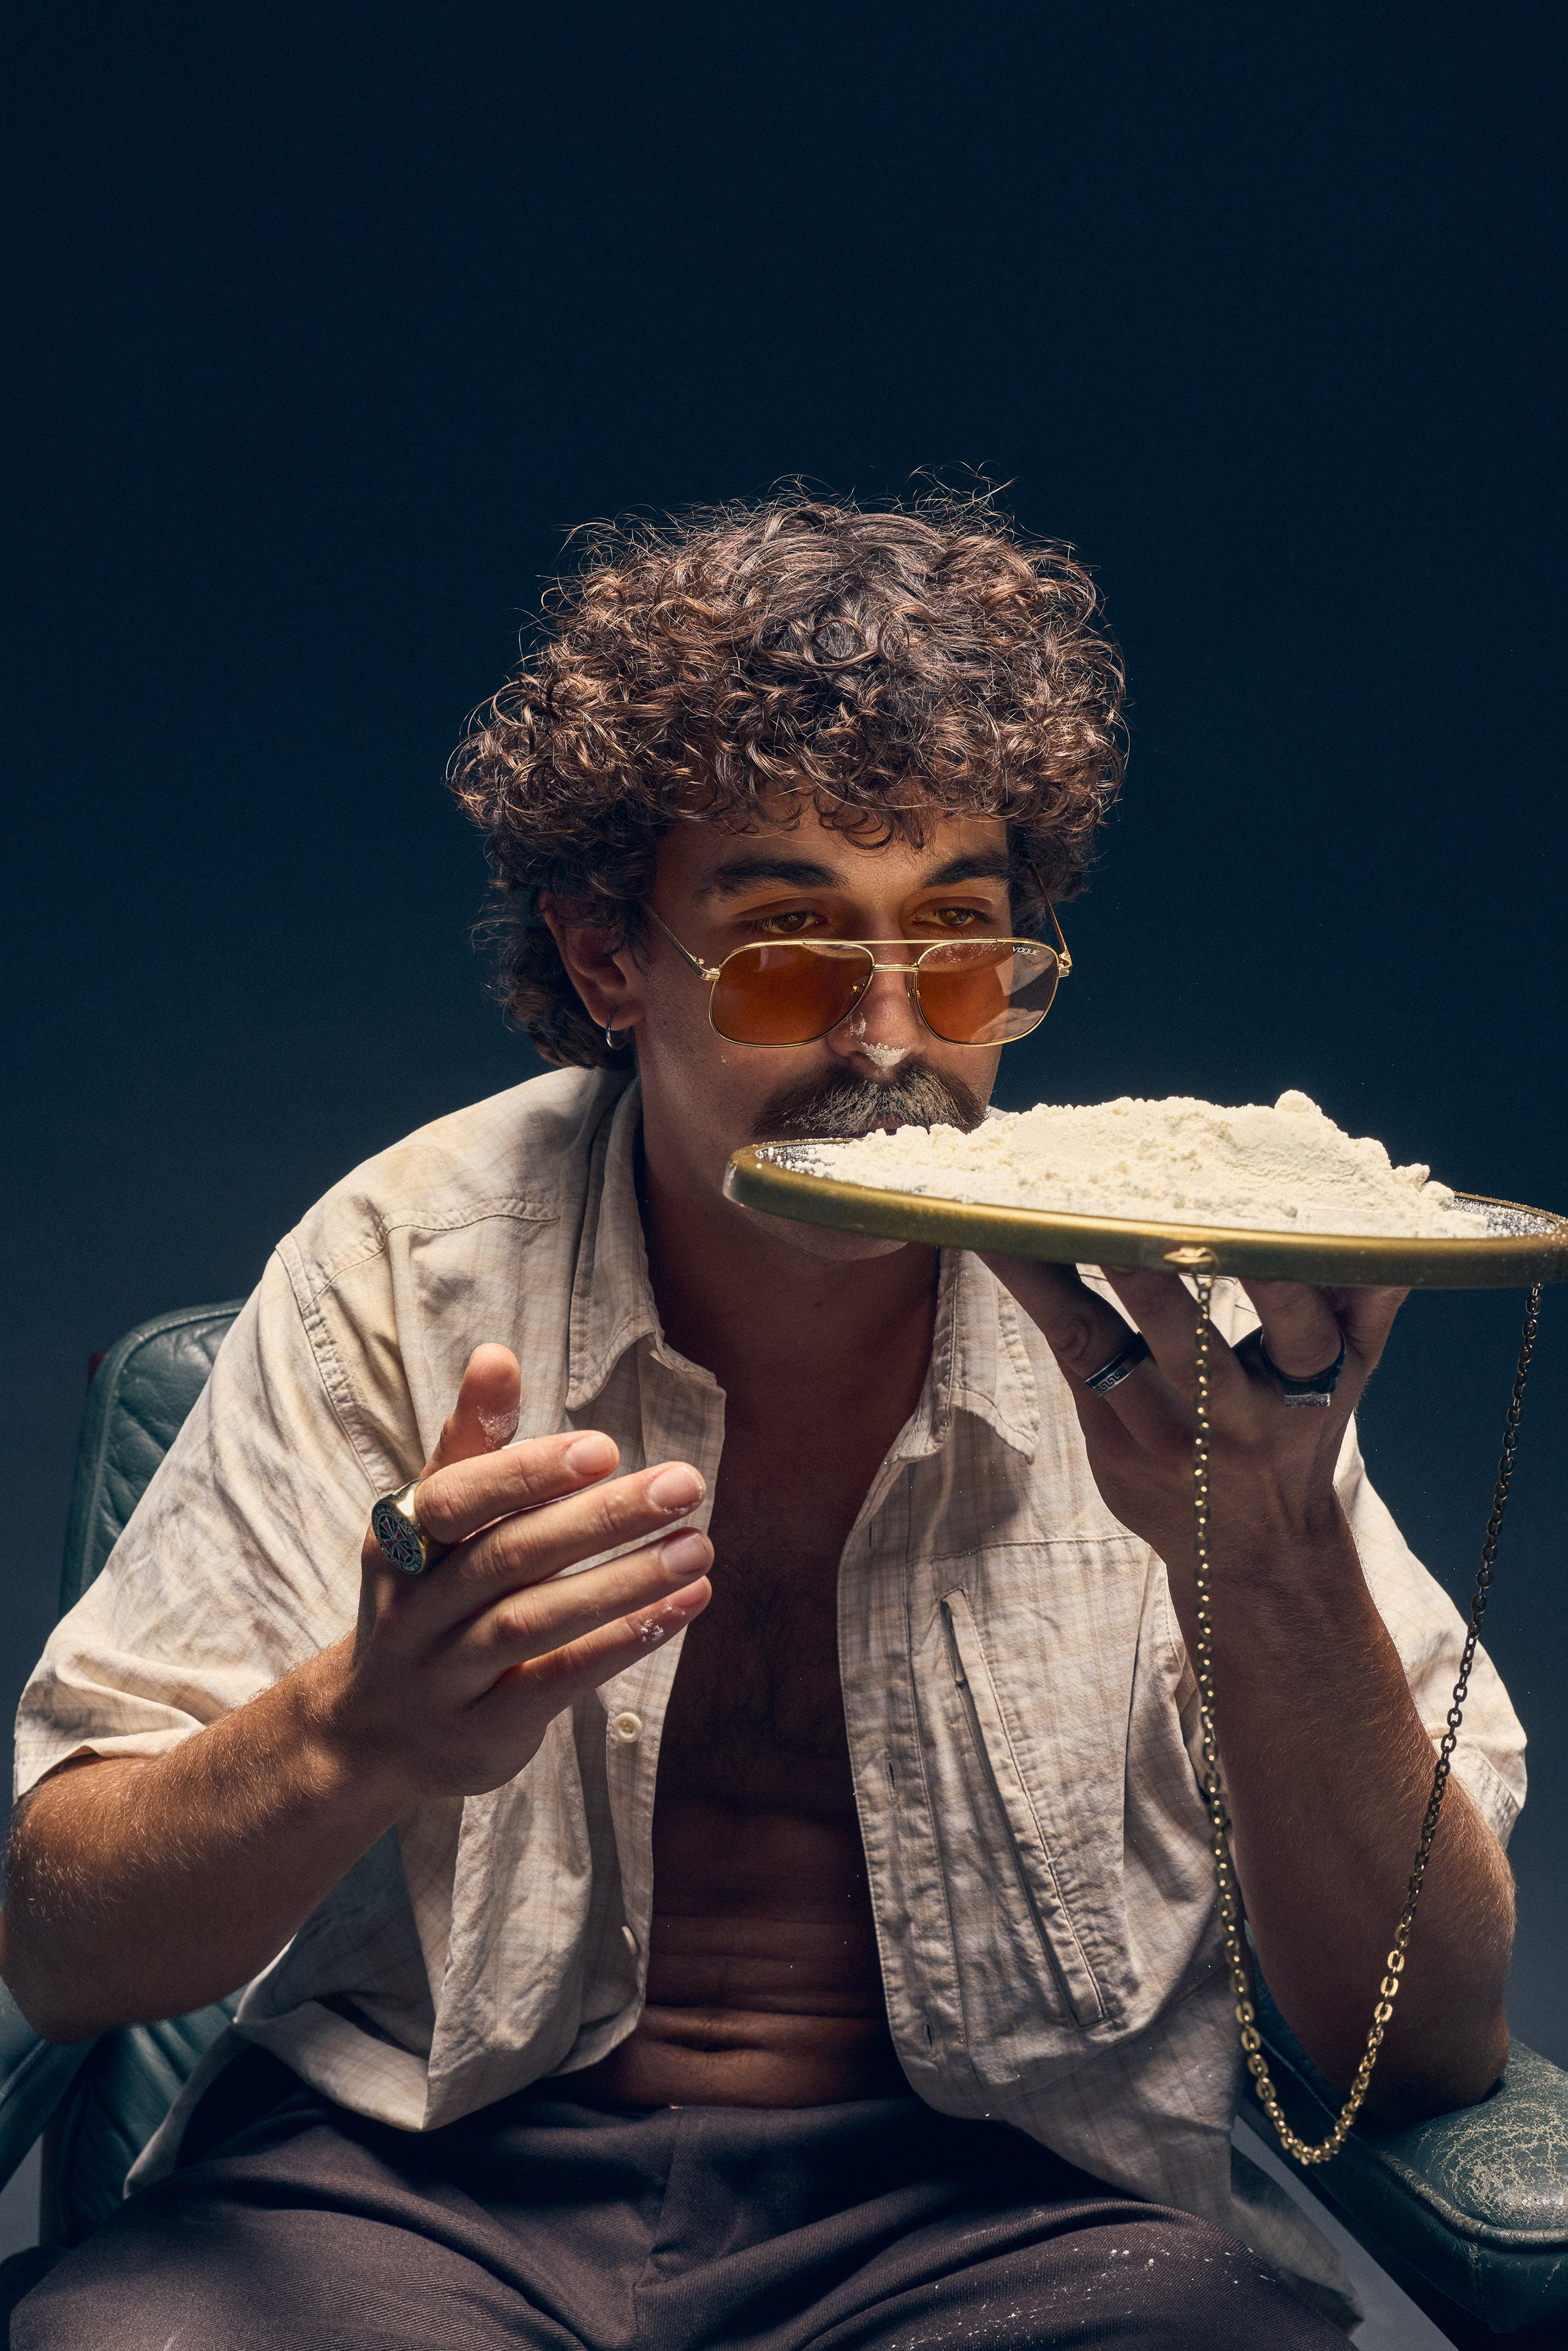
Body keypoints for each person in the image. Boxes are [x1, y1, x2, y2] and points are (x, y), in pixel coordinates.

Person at [1, 497, 1523, 2347]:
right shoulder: (408, 1264)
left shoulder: (1182, 1313)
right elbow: (65, 1942)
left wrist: (1271, 1544)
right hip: (414, 2193)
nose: (888, 1038)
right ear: (606, 961)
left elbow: (1425, 2038)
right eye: (792, 946)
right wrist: (363, 1726)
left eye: (957, 945)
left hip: (1002, 2224)